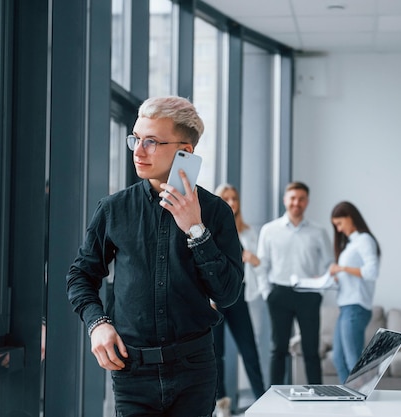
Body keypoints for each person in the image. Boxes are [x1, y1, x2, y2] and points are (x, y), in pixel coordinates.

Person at [66, 96, 244, 417]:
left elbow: (227, 294)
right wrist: (98, 324)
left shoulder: (216, 212)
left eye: (151, 142)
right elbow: (81, 276)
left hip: (195, 370)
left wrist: (195, 229)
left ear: (184, 152)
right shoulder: (114, 208)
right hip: (133, 372)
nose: (137, 150)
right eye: (136, 138)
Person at [256, 181, 332, 385]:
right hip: (279, 294)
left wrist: (320, 290)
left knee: (311, 350)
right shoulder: (269, 230)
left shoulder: (318, 232)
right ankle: (273, 399)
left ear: (307, 202)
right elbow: (262, 265)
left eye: (301, 199)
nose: (296, 203)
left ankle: (318, 395)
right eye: (292, 198)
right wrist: (267, 293)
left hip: (309, 295)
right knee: (278, 350)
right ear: (285, 200)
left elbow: (329, 265)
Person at [212, 184, 266, 416]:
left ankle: (262, 400)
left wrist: (253, 259)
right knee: (216, 353)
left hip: (238, 296)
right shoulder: (210, 229)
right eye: (226, 198)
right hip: (215, 299)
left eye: (234, 198)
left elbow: (259, 264)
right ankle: (221, 404)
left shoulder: (248, 232)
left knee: (249, 350)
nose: (231, 203)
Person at [328, 201, 381, 383]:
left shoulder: (364, 240)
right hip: (345, 307)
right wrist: (338, 276)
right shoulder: (351, 244)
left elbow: (371, 272)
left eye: (340, 223)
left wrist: (342, 268)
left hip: (356, 307)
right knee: (338, 358)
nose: (339, 229)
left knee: (353, 361)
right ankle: (349, 397)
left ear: (350, 217)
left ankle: (362, 402)